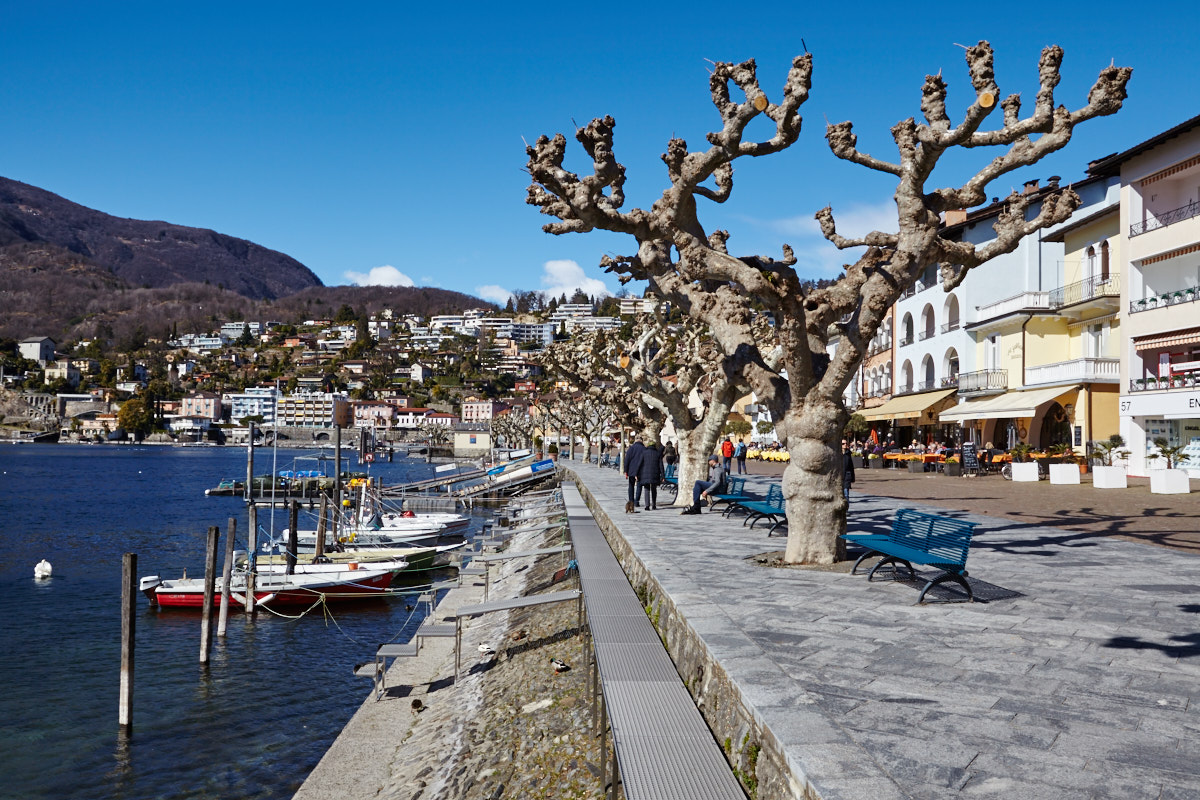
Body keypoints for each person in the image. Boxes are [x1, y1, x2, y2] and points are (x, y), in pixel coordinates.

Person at [637, 441, 664, 510]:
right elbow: (661, 465)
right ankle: (654, 505)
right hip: (655, 473)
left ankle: (647, 505)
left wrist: (636, 473)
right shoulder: (657, 454)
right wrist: (663, 475)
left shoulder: (644, 453)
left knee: (646, 489)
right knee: (654, 489)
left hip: (645, 473)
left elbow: (639, 464)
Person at [623, 436, 646, 507]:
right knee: (639, 486)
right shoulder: (644, 449)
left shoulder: (631, 448)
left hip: (631, 470)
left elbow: (627, 460)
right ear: (642, 441)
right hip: (641, 470)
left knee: (631, 486)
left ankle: (631, 501)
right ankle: (637, 501)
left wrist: (625, 470)